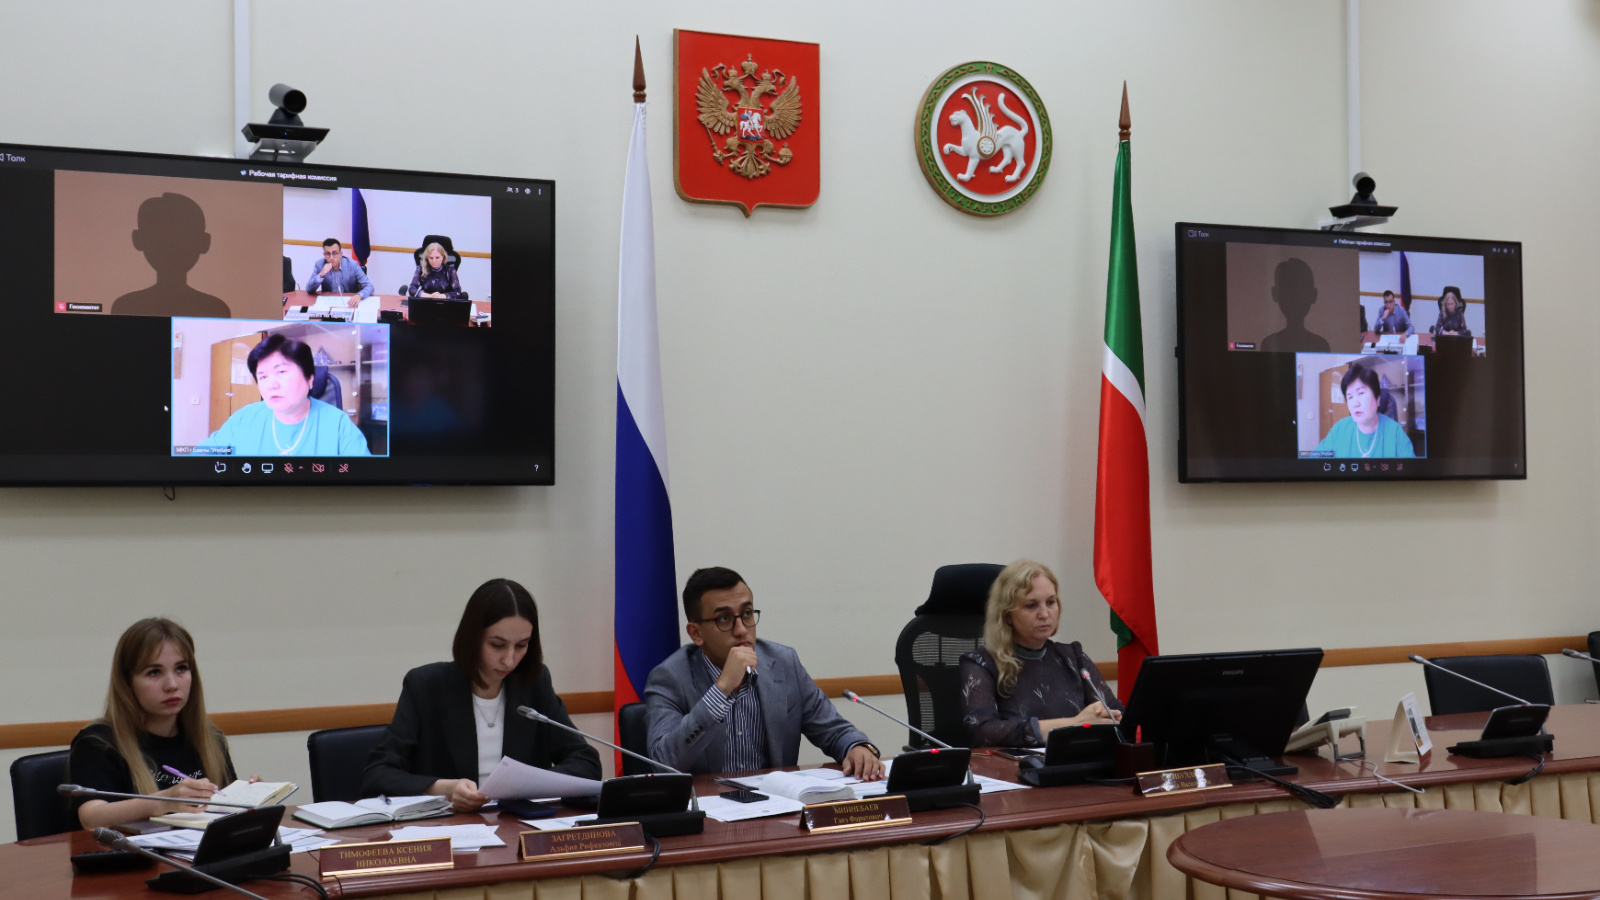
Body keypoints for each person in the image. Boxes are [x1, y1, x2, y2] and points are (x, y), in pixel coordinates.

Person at [363, 579, 601, 811]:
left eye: (521, 645)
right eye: (497, 645)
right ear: (472, 637)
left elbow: (586, 762)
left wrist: (532, 784)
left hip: (516, 825)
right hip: (450, 826)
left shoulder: (534, 684)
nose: (509, 660)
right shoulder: (426, 686)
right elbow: (378, 775)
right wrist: (443, 788)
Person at [645, 567, 884, 778]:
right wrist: (722, 688)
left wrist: (856, 747)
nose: (741, 630)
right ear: (696, 633)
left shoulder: (783, 663)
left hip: (775, 806)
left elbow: (833, 729)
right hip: (708, 809)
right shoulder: (670, 677)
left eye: (747, 614)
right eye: (724, 619)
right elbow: (663, 762)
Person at [68, 618, 240, 829]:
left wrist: (255, 798)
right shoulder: (99, 743)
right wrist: (163, 801)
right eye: (154, 672)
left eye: (181, 668)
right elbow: (91, 817)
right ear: (127, 682)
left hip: (200, 847)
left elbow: (226, 807)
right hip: (131, 850)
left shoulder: (210, 738)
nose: (172, 685)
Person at [959, 560, 1122, 748]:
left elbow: (1115, 712)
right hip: (1018, 765)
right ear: (1007, 615)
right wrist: (1074, 724)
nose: (1044, 614)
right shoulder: (980, 663)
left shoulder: (1073, 657)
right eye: (1031, 605)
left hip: (1075, 759)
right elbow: (982, 732)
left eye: (1051, 602)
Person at [196, 333, 371, 456]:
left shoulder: (338, 424)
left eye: (281, 372)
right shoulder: (243, 418)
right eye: (262, 377)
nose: (271, 385)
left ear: (310, 379)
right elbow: (201, 458)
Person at [111, 193, 231, 318]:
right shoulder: (214, 307)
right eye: (160, 237)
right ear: (138, 239)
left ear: (204, 242)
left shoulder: (215, 308)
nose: (171, 246)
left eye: (183, 237)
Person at [1313, 361, 1416, 458]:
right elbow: (1315, 458)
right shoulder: (1339, 428)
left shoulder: (1396, 433)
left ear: (1378, 399)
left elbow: (1411, 469)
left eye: (1361, 393)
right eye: (1350, 397)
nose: (1355, 403)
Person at [1259, 257, 1330, 353]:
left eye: (1301, 290)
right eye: (1288, 291)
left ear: (1313, 295)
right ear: (1275, 294)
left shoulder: (1320, 345)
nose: (1295, 297)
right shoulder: (1269, 343)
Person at [303, 239, 374, 299]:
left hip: (349, 301)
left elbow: (369, 286)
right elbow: (309, 289)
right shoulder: (319, 265)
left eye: (335, 253)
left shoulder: (352, 265)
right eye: (327, 254)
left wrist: (359, 295)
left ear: (340, 254)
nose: (331, 257)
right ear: (324, 255)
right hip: (329, 301)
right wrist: (321, 275)